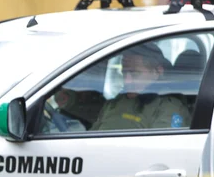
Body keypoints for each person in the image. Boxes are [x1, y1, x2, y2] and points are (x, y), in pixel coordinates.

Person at [55, 42, 191, 132]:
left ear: (157, 72)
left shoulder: (169, 109)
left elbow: (159, 154)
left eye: (134, 73)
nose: (127, 80)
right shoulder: (117, 102)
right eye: (124, 73)